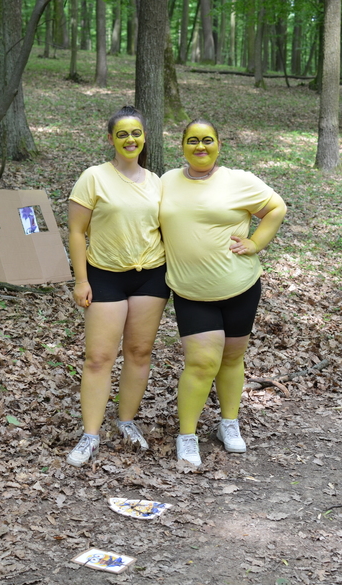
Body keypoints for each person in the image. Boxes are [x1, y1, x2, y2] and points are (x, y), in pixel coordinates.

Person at [160, 119, 287, 466]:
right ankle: (187, 436)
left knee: (231, 359)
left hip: (240, 286)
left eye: (207, 140)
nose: (200, 146)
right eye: (192, 140)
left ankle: (228, 423)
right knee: (201, 363)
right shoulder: (166, 182)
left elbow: (276, 208)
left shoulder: (238, 180)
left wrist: (256, 242)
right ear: (182, 146)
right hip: (191, 291)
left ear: (219, 144)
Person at [66, 106, 170, 467]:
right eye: (122, 134)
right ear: (111, 139)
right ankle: (90, 435)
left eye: (136, 133)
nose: (130, 139)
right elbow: (76, 231)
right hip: (105, 275)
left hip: (151, 276)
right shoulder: (94, 177)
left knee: (139, 352)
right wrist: (81, 280)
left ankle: (126, 421)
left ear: (145, 137)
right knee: (99, 358)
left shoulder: (158, 182)